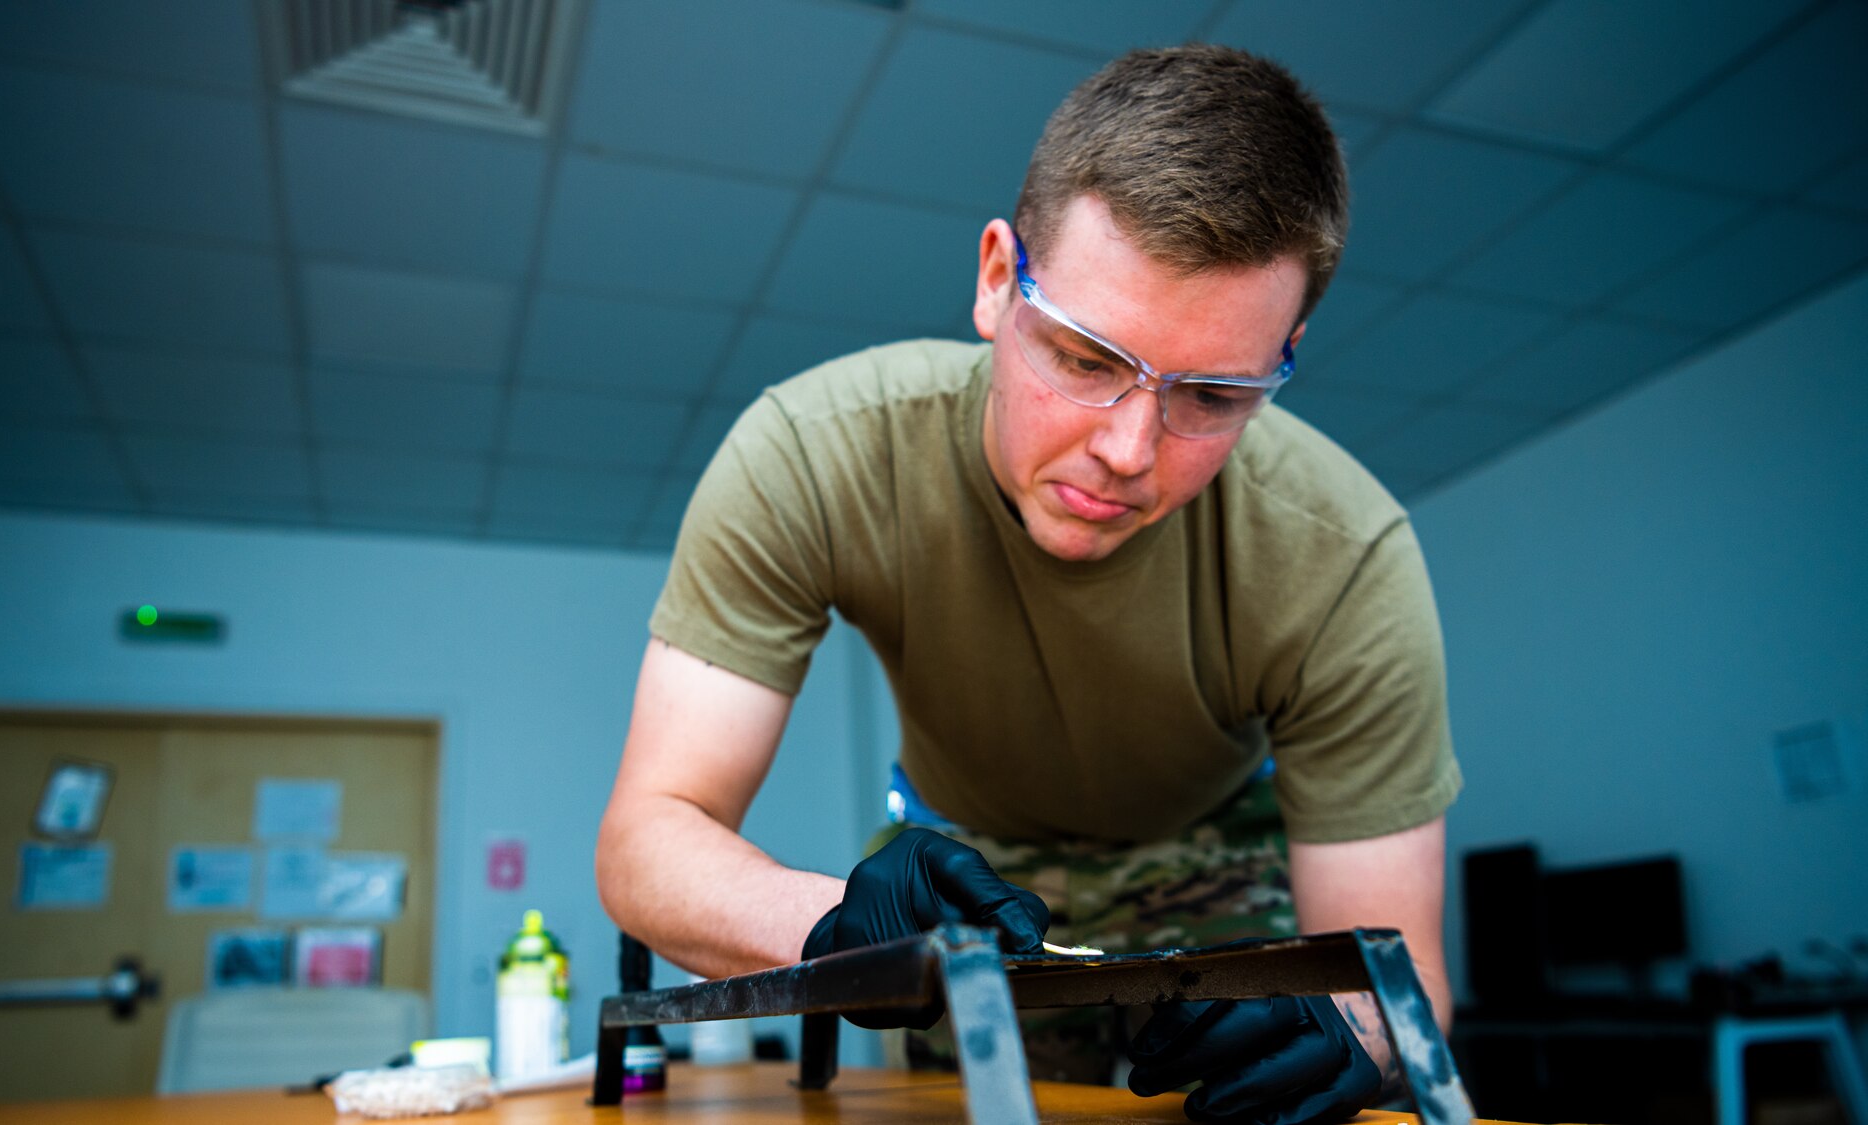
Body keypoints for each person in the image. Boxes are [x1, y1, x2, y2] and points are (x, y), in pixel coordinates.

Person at [597, 42, 1460, 1125]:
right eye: (1088, 361)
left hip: (1219, 855)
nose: (1130, 450)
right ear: (998, 280)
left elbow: (1404, 981)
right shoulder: (810, 452)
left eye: (1211, 396)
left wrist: (1355, 1034)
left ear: (1281, 358)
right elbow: (646, 836)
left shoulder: (1345, 554)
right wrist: (828, 925)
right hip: (963, 869)